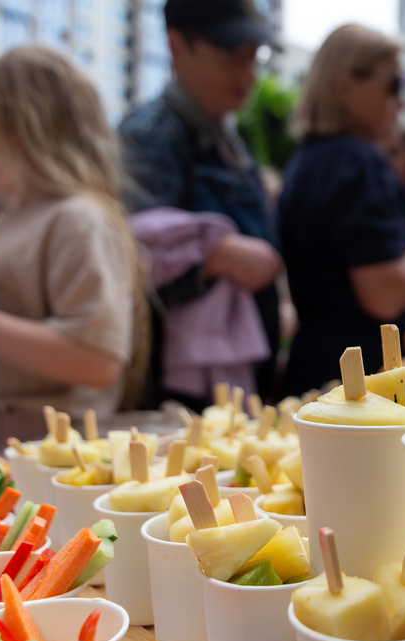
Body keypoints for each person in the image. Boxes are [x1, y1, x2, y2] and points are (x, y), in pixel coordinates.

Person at [0, 46, 147, 450]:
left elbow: (96, 360)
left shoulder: (77, 219)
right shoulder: (11, 220)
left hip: (24, 451)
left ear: (12, 135)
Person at [278, 23, 405, 395]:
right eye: (394, 84)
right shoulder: (356, 161)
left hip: (332, 376)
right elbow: (385, 294)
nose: (402, 101)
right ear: (346, 84)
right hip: (367, 387)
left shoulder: (310, 160)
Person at [118, 0, 282, 406]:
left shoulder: (227, 134)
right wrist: (213, 257)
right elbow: (130, 260)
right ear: (176, 46)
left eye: (252, 58)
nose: (247, 73)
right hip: (174, 391)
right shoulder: (150, 136)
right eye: (231, 57)